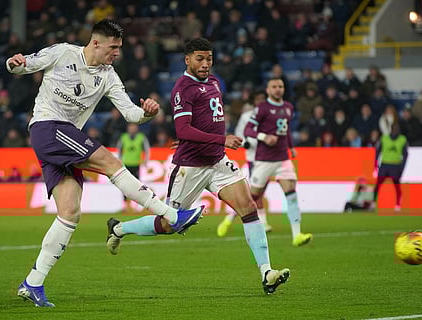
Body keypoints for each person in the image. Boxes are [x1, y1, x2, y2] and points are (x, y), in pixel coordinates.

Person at [6, 19, 204, 308]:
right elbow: (21, 66)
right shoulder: (62, 53)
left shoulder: (109, 76)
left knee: (70, 214)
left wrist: (147, 113)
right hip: (48, 127)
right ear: (96, 42)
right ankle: (172, 216)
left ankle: (33, 282)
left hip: (64, 139)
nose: (117, 53)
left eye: (119, 48)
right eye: (113, 47)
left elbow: (132, 115)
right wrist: (14, 62)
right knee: (111, 162)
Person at [107, 38, 290, 295]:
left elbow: (203, 123)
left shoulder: (214, 82)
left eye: (209, 59)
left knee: (249, 208)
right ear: (187, 60)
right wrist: (219, 140)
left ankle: (266, 272)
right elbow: (183, 129)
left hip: (217, 162)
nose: (205, 64)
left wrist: (210, 142)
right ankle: (118, 228)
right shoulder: (182, 89)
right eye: (200, 59)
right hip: (190, 167)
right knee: (169, 224)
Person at [243, 77, 313, 247]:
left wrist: (291, 147)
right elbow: (248, 129)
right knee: (252, 197)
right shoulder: (262, 108)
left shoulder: (288, 108)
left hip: (283, 159)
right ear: (268, 90)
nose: (277, 89)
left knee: (292, 194)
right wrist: (264, 137)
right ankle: (235, 220)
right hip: (264, 160)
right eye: (274, 87)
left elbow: (286, 130)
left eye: (280, 86)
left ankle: (297, 234)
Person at [216, 89, 273, 236]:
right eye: (258, 98)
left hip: (269, 158)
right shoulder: (247, 116)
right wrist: (246, 142)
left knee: (258, 192)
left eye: (263, 98)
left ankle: (260, 222)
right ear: (253, 101)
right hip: (254, 158)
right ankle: (230, 219)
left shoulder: (271, 115)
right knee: (255, 192)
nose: (260, 101)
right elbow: (240, 134)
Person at [373, 123, 408, 211]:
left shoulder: (402, 139)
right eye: (393, 128)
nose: (395, 130)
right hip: (385, 164)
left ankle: (397, 204)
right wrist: (375, 165)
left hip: (395, 165)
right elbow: (377, 152)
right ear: (390, 129)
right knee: (378, 184)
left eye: (396, 128)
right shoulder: (384, 138)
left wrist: (402, 168)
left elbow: (405, 155)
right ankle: (373, 202)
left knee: (396, 186)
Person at [117, 123, 150, 211]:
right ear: (128, 129)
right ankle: (124, 205)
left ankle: (135, 205)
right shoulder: (123, 137)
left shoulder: (141, 137)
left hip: (136, 164)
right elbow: (119, 150)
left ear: (137, 129)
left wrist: (146, 160)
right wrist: (119, 161)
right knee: (124, 185)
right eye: (130, 128)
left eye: (134, 128)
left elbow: (147, 150)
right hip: (126, 164)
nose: (132, 129)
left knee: (136, 185)